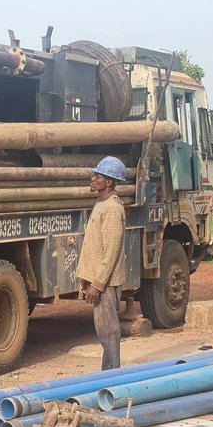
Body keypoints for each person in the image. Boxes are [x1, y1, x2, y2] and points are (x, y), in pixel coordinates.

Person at [76, 156, 127, 371]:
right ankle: (107, 376)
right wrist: (86, 278)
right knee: (103, 331)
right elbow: (95, 247)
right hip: (99, 280)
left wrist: (97, 284)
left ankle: (112, 379)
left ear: (109, 182)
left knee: (109, 332)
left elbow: (111, 251)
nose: (92, 178)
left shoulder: (113, 209)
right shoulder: (101, 204)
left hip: (105, 283)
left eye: (98, 176)